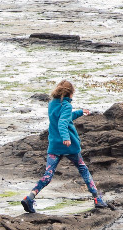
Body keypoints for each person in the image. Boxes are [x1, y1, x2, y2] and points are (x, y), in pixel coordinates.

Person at [21, 79, 106, 213]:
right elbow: (62, 122)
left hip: (54, 145)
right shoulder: (66, 105)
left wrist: (79, 112)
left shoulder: (52, 104)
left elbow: (64, 118)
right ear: (70, 94)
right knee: (83, 169)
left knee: (48, 175)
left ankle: (29, 197)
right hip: (69, 146)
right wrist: (66, 138)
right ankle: (97, 199)